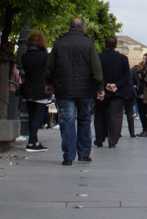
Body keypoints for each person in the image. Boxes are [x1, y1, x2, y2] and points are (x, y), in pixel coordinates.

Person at [44, 18, 103, 165]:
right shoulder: (89, 44)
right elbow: (96, 68)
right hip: (85, 90)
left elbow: (50, 67)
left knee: (67, 121)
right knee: (84, 120)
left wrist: (49, 83)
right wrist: (99, 87)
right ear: (83, 29)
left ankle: (69, 156)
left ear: (69, 28)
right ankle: (83, 154)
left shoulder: (58, 44)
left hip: (64, 89)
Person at [95, 36, 133, 148]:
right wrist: (116, 85)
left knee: (100, 115)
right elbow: (126, 77)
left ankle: (99, 139)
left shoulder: (99, 58)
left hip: (103, 91)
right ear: (116, 45)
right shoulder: (123, 59)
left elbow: (97, 75)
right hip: (118, 91)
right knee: (116, 116)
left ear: (105, 45)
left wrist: (106, 84)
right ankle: (113, 141)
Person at [19, 30, 49, 152]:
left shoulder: (25, 56)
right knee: (38, 117)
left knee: (32, 116)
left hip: (28, 89)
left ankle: (35, 141)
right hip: (41, 89)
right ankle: (31, 143)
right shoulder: (45, 56)